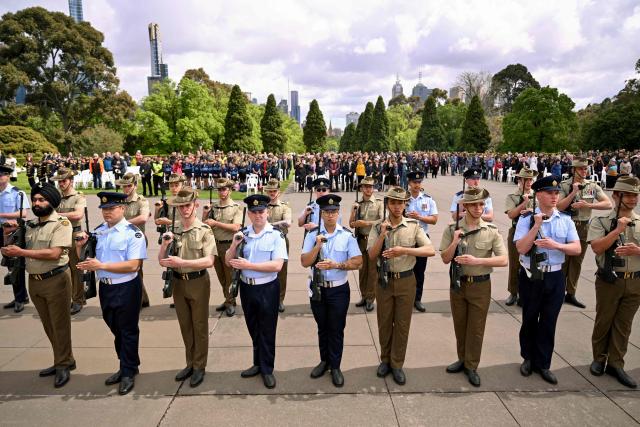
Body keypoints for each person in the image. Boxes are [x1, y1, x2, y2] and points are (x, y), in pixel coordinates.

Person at [1, 183, 75, 388]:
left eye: (42, 200)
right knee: (48, 324)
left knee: (60, 325)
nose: (37, 203)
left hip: (56, 280)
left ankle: (63, 364)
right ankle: (63, 359)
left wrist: (22, 253)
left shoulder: (62, 224)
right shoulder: (30, 226)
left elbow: (54, 254)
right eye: (34, 200)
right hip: (34, 281)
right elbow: (17, 249)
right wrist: (9, 237)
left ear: (52, 202)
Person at [75, 192, 147, 395]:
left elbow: (133, 265)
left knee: (127, 330)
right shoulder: (99, 232)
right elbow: (88, 256)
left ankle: (128, 371)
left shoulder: (133, 233)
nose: (106, 213)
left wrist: (102, 265)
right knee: (115, 327)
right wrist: (81, 246)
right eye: (104, 209)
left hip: (126, 287)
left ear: (122, 209)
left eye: (111, 208)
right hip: (105, 287)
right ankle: (127, 362)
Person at [514, 176, 581, 385]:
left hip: (555, 275)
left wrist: (557, 246)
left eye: (556, 193)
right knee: (530, 317)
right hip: (532, 275)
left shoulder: (566, 220)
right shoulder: (526, 219)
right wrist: (535, 226)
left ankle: (543, 363)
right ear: (538, 195)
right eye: (549, 193)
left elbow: (577, 248)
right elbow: (521, 248)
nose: (554, 197)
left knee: (549, 320)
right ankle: (527, 357)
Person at [367, 187, 435, 385]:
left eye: (401, 203)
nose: (397, 207)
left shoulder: (413, 226)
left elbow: (430, 250)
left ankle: (397, 364)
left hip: (406, 280)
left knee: (403, 324)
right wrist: (381, 234)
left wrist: (404, 250)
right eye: (393, 203)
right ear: (387, 204)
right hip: (384, 281)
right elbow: (371, 255)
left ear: (406, 204)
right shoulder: (378, 226)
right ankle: (385, 360)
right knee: (384, 322)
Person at [440, 187, 507, 387]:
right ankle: (462, 358)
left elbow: (503, 260)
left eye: (481, 204)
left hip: (480, 285)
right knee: (460, 325)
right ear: (466, 206)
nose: (479, 208)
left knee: (476, 328)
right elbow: (444, 258)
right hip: (458, 283)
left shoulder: (491, 231)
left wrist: (476, 261)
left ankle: (472, 365)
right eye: (475, 204)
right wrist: (454, 242)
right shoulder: (452, 229)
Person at [225, 194, 287, 389]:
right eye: (254, 212)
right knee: (253, 327)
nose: (258, 215)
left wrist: (249, 264)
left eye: (261, 211)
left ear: (267, 212)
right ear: (249, 215)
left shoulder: (276, 235)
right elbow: (228, 260)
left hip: (267, 287)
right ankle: (257, 363)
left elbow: (277, 266)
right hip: (247, 287)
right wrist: (234, 244)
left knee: (267, 329)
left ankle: (267, 369)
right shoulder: (243, 234)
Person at [302, 194, 362, 387]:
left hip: (338, 290)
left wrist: (337, 264)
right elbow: (304, 262)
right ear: (321, 214)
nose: (330, 215)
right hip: (318, 289)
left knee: (336, 329)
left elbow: (358, 262)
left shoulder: (346, 236)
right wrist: (317, 246)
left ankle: (335, 366)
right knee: (322, 327)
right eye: (326, 212)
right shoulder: (312, 236)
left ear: (338, 213)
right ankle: (324, 360)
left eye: (333, 212)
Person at [158, 188, 216, 388]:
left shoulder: (204, 230)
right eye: (180, 206)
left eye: (187, 205)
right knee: (185, 325)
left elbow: (209, 261)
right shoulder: (173, 230)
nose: (184, 210)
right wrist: (164, 246)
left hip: (198, 282)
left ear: (195, 206)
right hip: (178, 283)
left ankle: (200, 366)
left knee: (199, 326)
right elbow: (161, 261)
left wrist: (181, 261)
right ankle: (190, 363)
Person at [587, 176, 640, 389]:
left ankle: (616, 363)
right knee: (604, 320)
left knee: (624, 325)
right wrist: (617, 231)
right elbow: (597, 248)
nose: (633, 199)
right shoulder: (601, 222)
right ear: (616, 196)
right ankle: (599, 358)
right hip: (610, 280)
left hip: (635, 281)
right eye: (628, 195)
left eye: (635, 195)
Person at [557, 157, 612, 308]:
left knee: (577, 261)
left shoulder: (591, 186)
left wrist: (587, 204)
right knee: (563, 260)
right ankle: (558, 292)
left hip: (583, 227)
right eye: (581, 168)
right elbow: (559, 206)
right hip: (567, 225)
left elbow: (608, 204)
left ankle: (571, 293)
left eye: (586, 168)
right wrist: (572, 192)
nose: (584, 171)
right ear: (574, 170)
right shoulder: (564, 185)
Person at [203, 178, 243, 317]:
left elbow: (236, 227)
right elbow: (205, 225)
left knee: (229, 276)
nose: (221, 192)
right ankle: (228, 299)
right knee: (221, 276)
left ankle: (230, 302)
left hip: (228, 245)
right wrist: (205, 214)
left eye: (224, 189)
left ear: (230, 190)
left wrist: (216, 223)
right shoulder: (213, 206)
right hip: (215, 245)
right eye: (219, 189)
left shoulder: (236, 207)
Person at [51, 168, 87, 315]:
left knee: (76, 268)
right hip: (59, 235)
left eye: (64, 180)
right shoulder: (56, 196)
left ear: (71, 181)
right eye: (59, 181)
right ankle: (67, 298)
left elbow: (78, 215)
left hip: (74, 234)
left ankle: (78, 300)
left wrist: (56, 214)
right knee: (60, 269)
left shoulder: (78, 197)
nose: (61, 183)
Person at [116, 173, 151, 308]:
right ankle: (142, 298)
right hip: (121, 239)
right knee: (127, 271)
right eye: (124, 186)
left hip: (137, 239)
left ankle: (137, 300)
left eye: (129, 185)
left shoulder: (141, 200)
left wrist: (123, 223)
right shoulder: (119, 201)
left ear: (135, 186)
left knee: (135, 270)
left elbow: (143, 218)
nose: (126, 188)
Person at [349, 176, 384, 312]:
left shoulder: (379, 203)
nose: (368, 189)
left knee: (373, 271)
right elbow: (351, 224)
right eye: (366, 187)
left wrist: (366, 223)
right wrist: (353, 212)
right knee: (362, 270)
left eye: (371, 187)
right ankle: (364, 296)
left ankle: (370, 298)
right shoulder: (358, 203)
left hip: (373, 240)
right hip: (361, 240)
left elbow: (382, 220)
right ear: (361, 188)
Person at [504, 167, 537, 306]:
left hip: (533, 231)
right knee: (514, 263)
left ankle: (526, 293)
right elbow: (511, 214)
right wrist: (523, 203)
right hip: (517, 230)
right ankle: (513, 292)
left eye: (531, 179)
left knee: (531, 264)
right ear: (520, 180)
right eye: (526, 180)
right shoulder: (512, 196)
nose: (529, 182)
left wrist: (532, 210)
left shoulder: (538, 195)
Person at [0, 163, 31, 312]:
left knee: (16, 265)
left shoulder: (17, 193)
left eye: (1, 175)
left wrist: (1, 215)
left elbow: (23, 214)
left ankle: (19, 299)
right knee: (8, 264)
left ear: (7, 176)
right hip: (1, 231)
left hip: (13, 231)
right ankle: (21, 295)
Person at [406, 171, 438, 312]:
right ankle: (406, 297)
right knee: (405, 270)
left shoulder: (428, 199)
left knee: (419, 271)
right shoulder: (403, 199)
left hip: (422, 238)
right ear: (409, 183)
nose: (417, 185)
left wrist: (419, 217)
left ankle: (417, 299)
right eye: (414, 182)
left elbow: (434, 219)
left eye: (419, 182)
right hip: (405, 238)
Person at [265, 179, 292, 312]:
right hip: (266, 240)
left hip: (281, 240)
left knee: (282, 271)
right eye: (270, 191)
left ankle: (280, 299)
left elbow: (288, 222)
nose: (272, 193)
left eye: (274, 191)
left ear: (279, 192)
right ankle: (269, 297)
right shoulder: (263, 206)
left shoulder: (284, 206)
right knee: (266, 269)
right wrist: (278, 223)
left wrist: (270, 224)